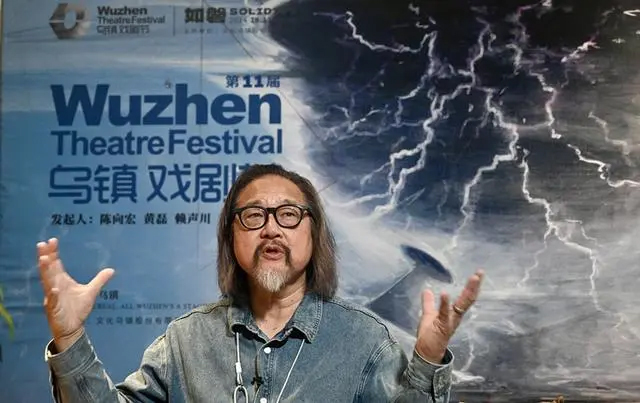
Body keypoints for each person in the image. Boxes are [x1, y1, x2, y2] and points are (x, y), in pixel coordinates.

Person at [37, 163, 484, 403]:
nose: (271, 229)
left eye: (288, 215)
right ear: (231, 238)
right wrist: (70, 336)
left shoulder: (366, 341)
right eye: (253, 216)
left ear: (314, 235)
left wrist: (427, 360)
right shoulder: (185, 342)